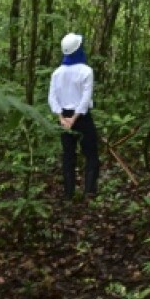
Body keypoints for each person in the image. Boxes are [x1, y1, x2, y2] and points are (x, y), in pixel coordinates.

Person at [48, 33, 99, 200]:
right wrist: (74, 118)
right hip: (81, 117)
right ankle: (89, 192)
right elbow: (85, 98)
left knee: (68, 156)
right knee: (91, 155)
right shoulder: (86, 71)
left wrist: (62, 118)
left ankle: (68, 194)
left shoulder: (57, 73)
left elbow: (52, 98)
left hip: (64, 118)